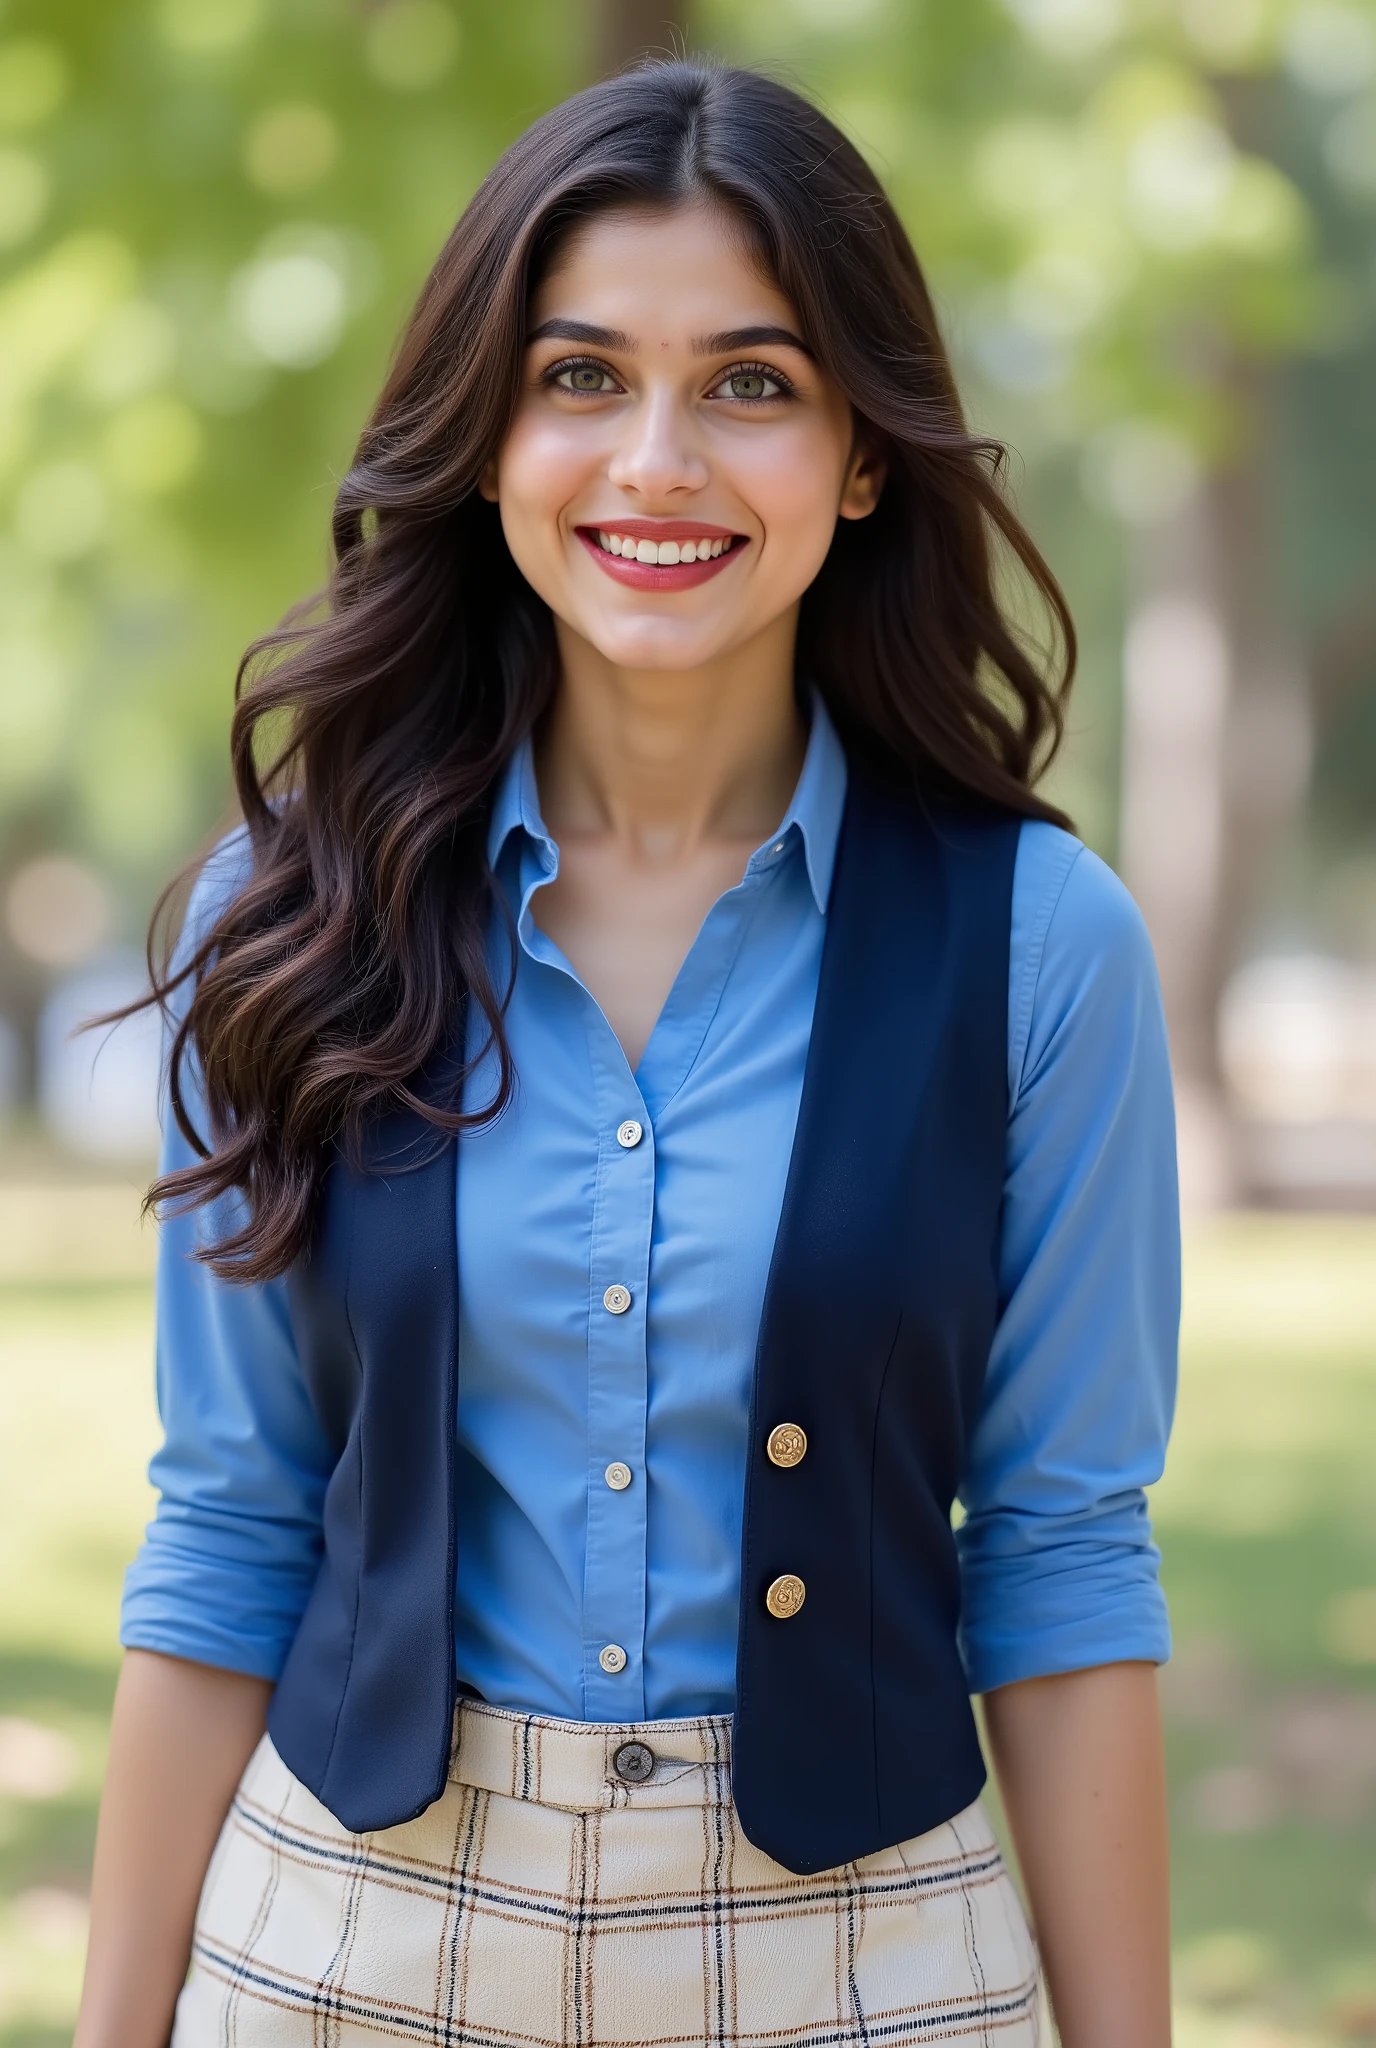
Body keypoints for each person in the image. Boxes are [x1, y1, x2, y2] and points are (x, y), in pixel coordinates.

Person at [74, 60, 1178, 2048]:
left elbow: (1062, 1549)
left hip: (870, 1962)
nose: (655, 458)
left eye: (749, 383)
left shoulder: (1041, 947)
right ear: (488, 438)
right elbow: (232, 1517)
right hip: (348, 1945)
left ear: (858, 454)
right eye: (579, 377)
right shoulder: (289, 915)